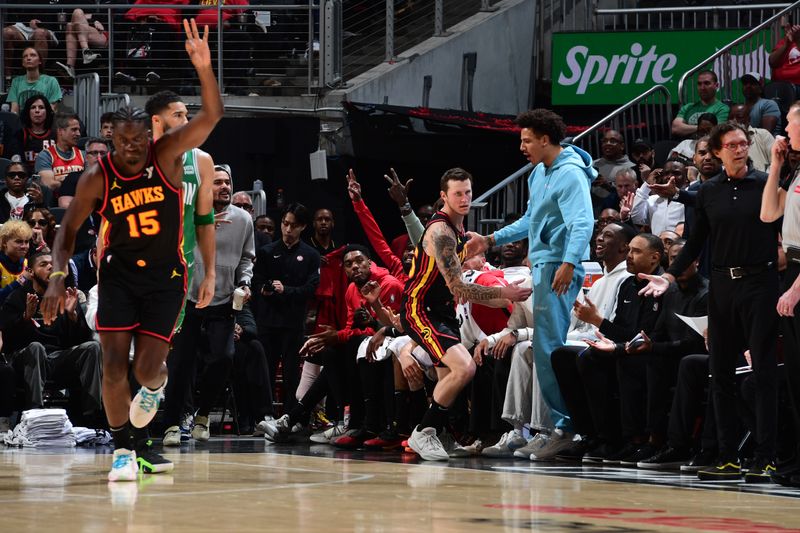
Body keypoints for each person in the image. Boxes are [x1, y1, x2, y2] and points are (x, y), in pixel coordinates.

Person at [41, 19, 224, 483]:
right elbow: (67, 231)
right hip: (120, 275)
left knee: (149, 368)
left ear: (149, 139)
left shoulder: (167, 156)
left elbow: (211, 116)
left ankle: (155, 390)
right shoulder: (97, 176)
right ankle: (123, 450)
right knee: (113, 361)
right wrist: (60, 276)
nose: (130, 149)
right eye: (121, 142)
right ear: (112, 142)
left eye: (137, 142)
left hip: (166, 276)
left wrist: (204, 69)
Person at [639, 121, 779, 483]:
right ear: (716, 151)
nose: (739, 148)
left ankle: (767, 457)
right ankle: (727, 456)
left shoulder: (766, 183)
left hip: (760, 283)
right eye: (731, 144)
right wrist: (668, 277)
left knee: (763, 372)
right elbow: (695, 243)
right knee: (721, 373)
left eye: (742, 143)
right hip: (722, 285)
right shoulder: (707, 192)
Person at [468, 109, 596, 457]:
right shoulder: (539, 173)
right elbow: (529, 220)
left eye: (526, 140)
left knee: (550, 349)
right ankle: (547, 427)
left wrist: (570, 263)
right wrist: (490, 240)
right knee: (542, 350)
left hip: (559, 266)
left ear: (544, 139)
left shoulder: (570, 175)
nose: (522, 146)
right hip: (544, 265)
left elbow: (582, 224)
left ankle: (565, 428)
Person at [400, 167, 531, 460]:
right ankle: (423, 432)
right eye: (457, 193)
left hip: (443, 311)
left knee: (448, 377)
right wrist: (504, 293)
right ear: (443, 196)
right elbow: (458, 284)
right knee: (465, 368)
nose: (465, 198)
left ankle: (439, 434)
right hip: (420, 309)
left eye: (468, 192)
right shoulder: (442, 232)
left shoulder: (460, 229)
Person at [162, 163, 254, 444]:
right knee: (180, 365)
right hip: (188, 300)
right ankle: (172, 425)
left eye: (227, 182)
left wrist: (245, 282)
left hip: (224, 301)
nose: (224, 187)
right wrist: (199, 229)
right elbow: (171, 250)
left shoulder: (243, 220)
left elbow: (247, 258)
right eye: (217, 182)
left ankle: (202, 415)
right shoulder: (187, 215)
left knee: (223, 358)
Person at [1, 251, 102, 425]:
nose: (50, 267)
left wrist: (73, 317)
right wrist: (25, 319)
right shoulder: (17, 297)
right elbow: (8, 343)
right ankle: (35, 416)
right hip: (24, 360)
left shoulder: (65, 297)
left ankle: (91, 417)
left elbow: (80, 340)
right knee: (36, 348)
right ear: (30, 272)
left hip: (56, 359)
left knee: (93, 347)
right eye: (43, 265)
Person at [145, 90, 216, 334]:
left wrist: (210, 274)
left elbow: (205, 222)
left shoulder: (201, 161)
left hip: (178, 268)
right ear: (157, 121)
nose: (187, 122)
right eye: (178, 115)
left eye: (187, 115)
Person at [760, 104, 800, 486]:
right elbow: (769, 213)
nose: (784, 127)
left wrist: (795, 288)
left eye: (790, 120)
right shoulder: (797, 168)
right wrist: (775, 164)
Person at [253, 203, 320, 412]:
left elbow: (311, 288)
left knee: (292, 374)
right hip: (268, 322)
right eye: (285, 224)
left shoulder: (310, 255)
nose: (288, 230)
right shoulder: (266, 252)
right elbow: (256, 281)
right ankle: (264, 415)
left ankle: (290, 417)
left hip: (293, 323)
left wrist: (286, 290)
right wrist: (263, 289)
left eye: (293, 225)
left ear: (302, 227)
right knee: (266, 372)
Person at [630, 159, 688, 235]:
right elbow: (636, 218)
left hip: (682, 245)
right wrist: (647, 184)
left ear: (686, 176)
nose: (670, 177)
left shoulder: (690, 200)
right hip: (657, 246)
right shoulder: (652, 200)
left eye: (676, 173)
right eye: (666, 173)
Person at [35, 113, 84, 195]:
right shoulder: (45, 156)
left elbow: (90, 183)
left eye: (79, 130)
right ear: (60, 131)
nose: (78, 134)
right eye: (74, 130)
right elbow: (49, 185)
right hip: (54, 204)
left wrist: (61, 179)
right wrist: (75, 182)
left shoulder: (83, 154)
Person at [671, 71, 730, 138]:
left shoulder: (722, 108)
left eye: (707, 83)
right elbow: (675, 128)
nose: (702, 87)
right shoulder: (688, 107)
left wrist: (687, 128)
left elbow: (717, 131)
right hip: (687, 145)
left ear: (716, 86)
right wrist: (703, 128)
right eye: (699, 84)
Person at [6, 47, 62, 115]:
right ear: (23, 63)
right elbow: (14, 110)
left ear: (40, 61)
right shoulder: (16, 82)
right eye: (25, 56)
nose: (28, 58)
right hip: (22, 123)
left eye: (33, 55)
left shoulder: (51, 81)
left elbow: (52, 109)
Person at [55, 9, 108, 79]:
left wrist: (95, 20)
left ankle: (71, 65)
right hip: (83, 28)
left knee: (77, 12)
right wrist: (92, 19)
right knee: (70, 25)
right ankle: (75, 62)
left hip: (104, 32)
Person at [729, 104, 774, 173]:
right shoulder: (725, 140)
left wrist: (764, 178)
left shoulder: (763, 134)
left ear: (749, 119)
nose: (734, 121)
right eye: (731, 118)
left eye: (739, 117)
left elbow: (775, 162)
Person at [18, 95, 56, 175]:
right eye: (33, 107)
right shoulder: (20, 134)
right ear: (28, 112)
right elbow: (17, 165)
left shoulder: (57, 135)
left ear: (47, 112)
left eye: (41, 107)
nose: (37, 111)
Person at [0, 220, 31, 305]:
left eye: (27, 241)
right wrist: (21, 280)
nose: (24, 246)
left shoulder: (27, 263)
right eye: (19, 241)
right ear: (4, 242)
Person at [769, 17, 800, 89]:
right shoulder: (784, 42)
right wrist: (787, 44)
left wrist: (798, 41)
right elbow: (772, 63)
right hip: (782, 86)